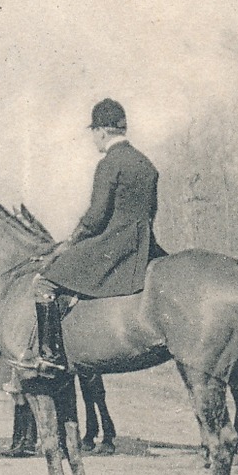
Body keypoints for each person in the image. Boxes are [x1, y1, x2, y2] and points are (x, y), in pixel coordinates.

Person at [33, 98, 162, 371]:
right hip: (144, 245)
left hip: (113, 245)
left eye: (94, 133)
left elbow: (96, 218)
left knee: (44, 283)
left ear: (101, 131)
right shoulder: (147, 165)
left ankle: (50, 357)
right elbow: (152, 210)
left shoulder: (109, 164)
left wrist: (69, 244)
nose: (94, 140)